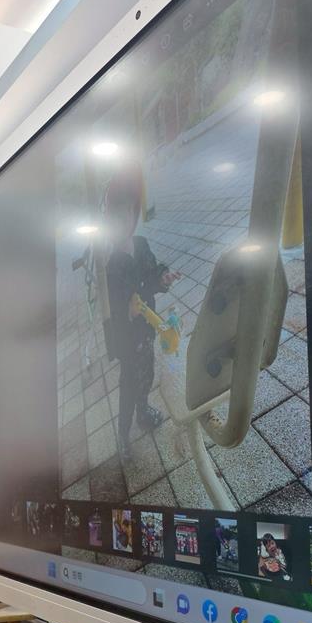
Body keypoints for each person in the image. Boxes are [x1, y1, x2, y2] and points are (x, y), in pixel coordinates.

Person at [102, 165, 179, 461]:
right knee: (128, 385)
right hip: (127, 337)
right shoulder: (113, 265)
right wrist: (128, 310)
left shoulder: (141, 245)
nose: (121, 223)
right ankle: (123, 435)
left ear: (133, 215)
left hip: (147, 331)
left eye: (126, 215)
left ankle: (143, 411)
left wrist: (163, 277)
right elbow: (113, 307)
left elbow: (152, 273)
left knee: (146, 374)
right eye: (115, 218)